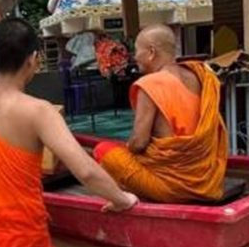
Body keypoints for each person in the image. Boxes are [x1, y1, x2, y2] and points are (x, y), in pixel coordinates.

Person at [0, 17, 138, 247]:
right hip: (21, 241)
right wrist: (122, 199)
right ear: (33, 59)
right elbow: (86, 171)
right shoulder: (40, 112)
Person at [93, 24, 228, 203]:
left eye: (136, 51)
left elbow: (139, 143)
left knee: (103, 150)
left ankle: (128, 198)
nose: (134, 57)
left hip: (173, 187)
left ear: (151, 52)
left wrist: (131, 147)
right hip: (207, 182)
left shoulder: (151, 84)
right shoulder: (200, 76)